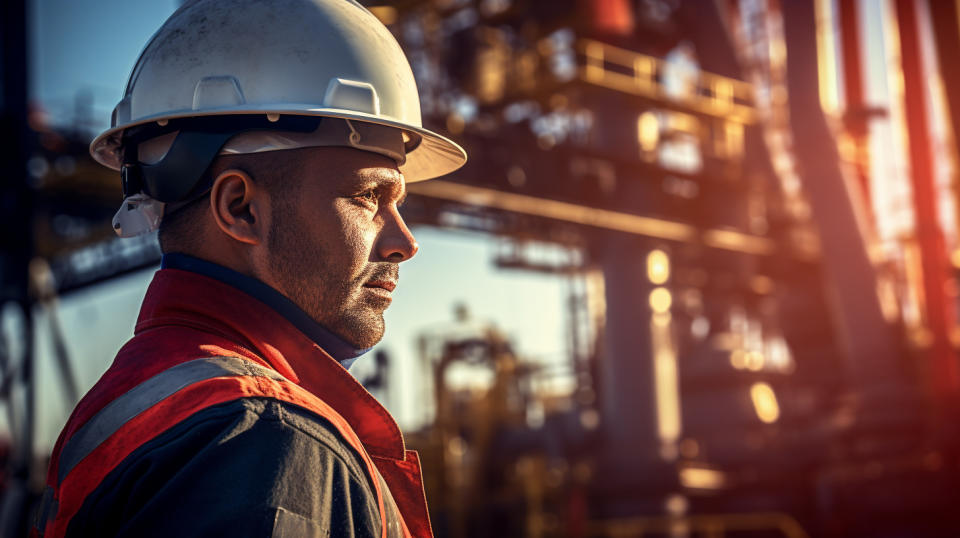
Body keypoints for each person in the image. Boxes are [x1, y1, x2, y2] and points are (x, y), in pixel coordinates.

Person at [33, 1, 466, 536]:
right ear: (240, 209)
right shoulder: (266, 442)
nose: (405, 243)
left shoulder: (135, 401)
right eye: (368, 197)